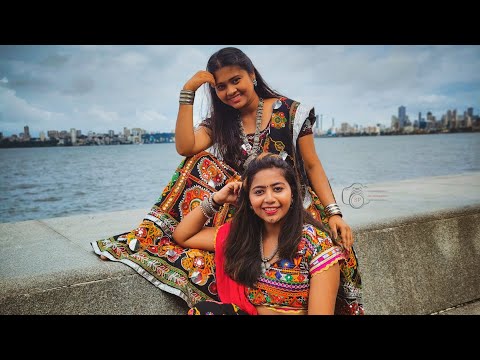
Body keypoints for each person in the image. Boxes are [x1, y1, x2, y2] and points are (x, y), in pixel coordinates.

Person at [91, 46, 364, 315]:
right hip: (245, 205)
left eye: (236, 80)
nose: (230, 91)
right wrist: (187, 94)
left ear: (252, 75)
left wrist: (334, 213)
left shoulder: (289, 111)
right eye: (221, 87)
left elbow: (313, 165)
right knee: (197, 162)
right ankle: (150, 235)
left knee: (323, 248)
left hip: (291, 203)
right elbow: (186, 147)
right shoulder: (222, 123)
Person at [174, 153, 346, 315]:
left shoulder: (316, 245)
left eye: (278, 189)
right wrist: (216, 200)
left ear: (293, 194)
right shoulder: (243, 237)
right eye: (259, 192)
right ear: (249, 200)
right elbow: (183, 235)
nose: (269, 198)